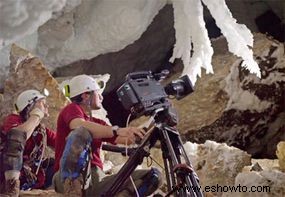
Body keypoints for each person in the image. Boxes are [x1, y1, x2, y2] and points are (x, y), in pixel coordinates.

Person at [53, 74, 162, 196]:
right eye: (97, 93)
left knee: (153, 177)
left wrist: (154, 123)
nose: (101, 97)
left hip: (95, 180)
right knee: (82, 132)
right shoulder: (72, 108)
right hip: (67, 176)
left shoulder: (98, 124)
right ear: (85, 95)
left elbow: (128, 140)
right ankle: (72, 187)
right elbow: (78, 125)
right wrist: (117, 130)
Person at [0, 89, 56, 196]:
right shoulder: (13, 120)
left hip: (29, 175)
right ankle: (11, 189)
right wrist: (36, 115)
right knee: (16, 137)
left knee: (53, 163)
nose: (46, 107)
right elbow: (19, 136)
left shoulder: (41, 130)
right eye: (43, 104)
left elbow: (60, 142)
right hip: (7, 173)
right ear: (30, 106)